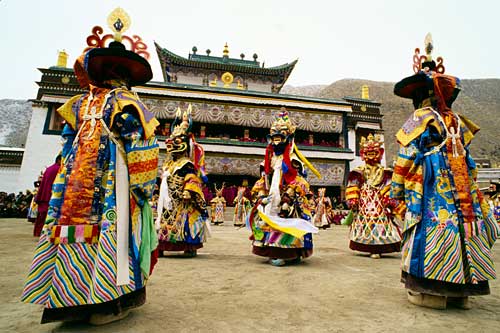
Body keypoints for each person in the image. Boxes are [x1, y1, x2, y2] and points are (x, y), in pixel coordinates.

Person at [21, 9, 160, 324]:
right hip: (113, 180)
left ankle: (69, 298)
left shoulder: (80, 104)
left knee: (71, 229)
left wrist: (70, 173)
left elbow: (68, 142)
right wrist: (143, 189)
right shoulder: (128, 103)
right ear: (125, 75)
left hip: (74, 183)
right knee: (115, 228)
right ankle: (107, 301)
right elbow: (140, 147)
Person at [391, 34, 499, 309]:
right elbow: (471, 163)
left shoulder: (419, 118)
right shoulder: (457, 121)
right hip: (459, 181)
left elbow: (406, 155)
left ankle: (432, 290)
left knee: (432, 224)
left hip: (431, 183)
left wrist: (397, 190)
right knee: (462, 226)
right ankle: (461, 293)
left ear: (418, 96)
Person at [248, 108, 319, 266]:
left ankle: (288, 252)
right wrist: (261, 194)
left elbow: (298, 179)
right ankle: (273, 251)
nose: (276, 141)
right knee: (267, 217)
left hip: (286, 196)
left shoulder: (293, 159)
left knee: (287, 217)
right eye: (274, 138)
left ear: (288, 138)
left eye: (280, 138)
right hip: (271, 194)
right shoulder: (269, 159)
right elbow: (264, 177)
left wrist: (288, 196)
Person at [155, 104, 209, 257]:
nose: (172, 144)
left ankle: (188, 247)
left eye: (177, 141)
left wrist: (187, 190)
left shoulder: (187, 164)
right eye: (171, 140)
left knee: (182, 221)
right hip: (166, 201)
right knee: (164, 220)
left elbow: (192, 178)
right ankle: (162, 245)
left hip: (181, 200)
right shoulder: (168, 164)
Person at [345, 134, 401, 259]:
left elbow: (388, 184)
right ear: (363, 154)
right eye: (368, 152)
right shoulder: (358, 171)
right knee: (367, 220)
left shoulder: (385, 171)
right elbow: (353, 185)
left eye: (373, 152)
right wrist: (353, 199)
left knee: (381, 219)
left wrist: (389, 199)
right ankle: (369, 247)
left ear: (379, 153)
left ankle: (380, 247)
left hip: (379, 198)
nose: (371, 155)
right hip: (365, 198)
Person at [32, 155, 61, 237]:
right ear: (59, 160)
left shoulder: (49, 169)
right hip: (50, 195)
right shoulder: (57, 169)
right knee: (47, 217)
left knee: (41, 217)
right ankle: (44, 234)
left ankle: (38, 233)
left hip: (43, 195)